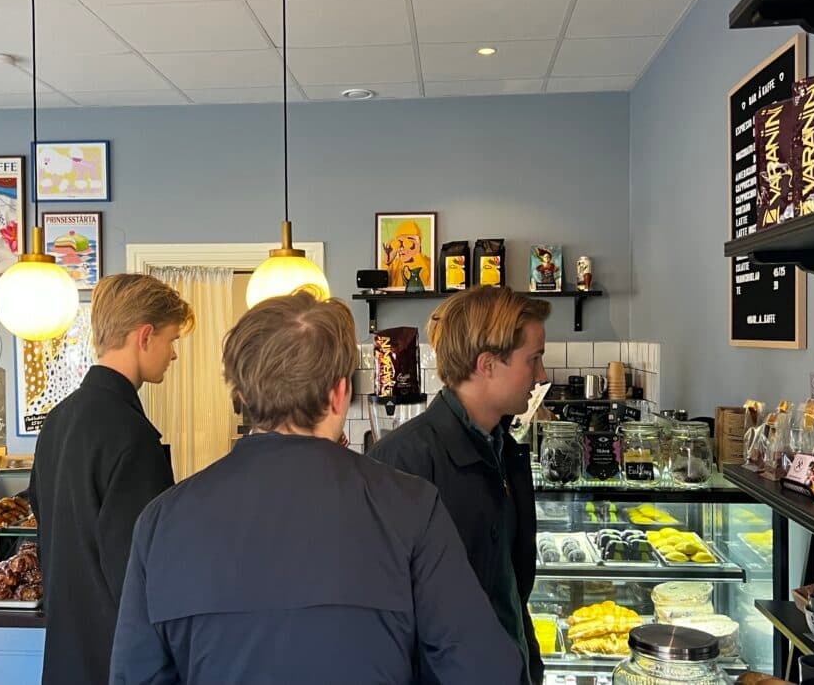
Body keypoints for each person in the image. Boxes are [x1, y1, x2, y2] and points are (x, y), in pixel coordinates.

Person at [110, 292, 520, 685]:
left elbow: (137, 674)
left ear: (241, 394)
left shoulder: (161, 522)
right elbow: (485, 669)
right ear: (340, 393)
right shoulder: (411, 507)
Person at [369, 285, 551, 685]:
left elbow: (507, 593)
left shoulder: (503, 449)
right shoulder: (401, 461)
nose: (541, 375)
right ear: (487, 364)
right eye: (533, 359)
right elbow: (384, 622)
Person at [29, 273, 193, 685]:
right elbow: (139, 568)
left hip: (65, 652)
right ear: (144, 336)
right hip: (116, 657)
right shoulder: (131, 434)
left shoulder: (57, 420)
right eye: (171, 340)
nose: (173, 355)